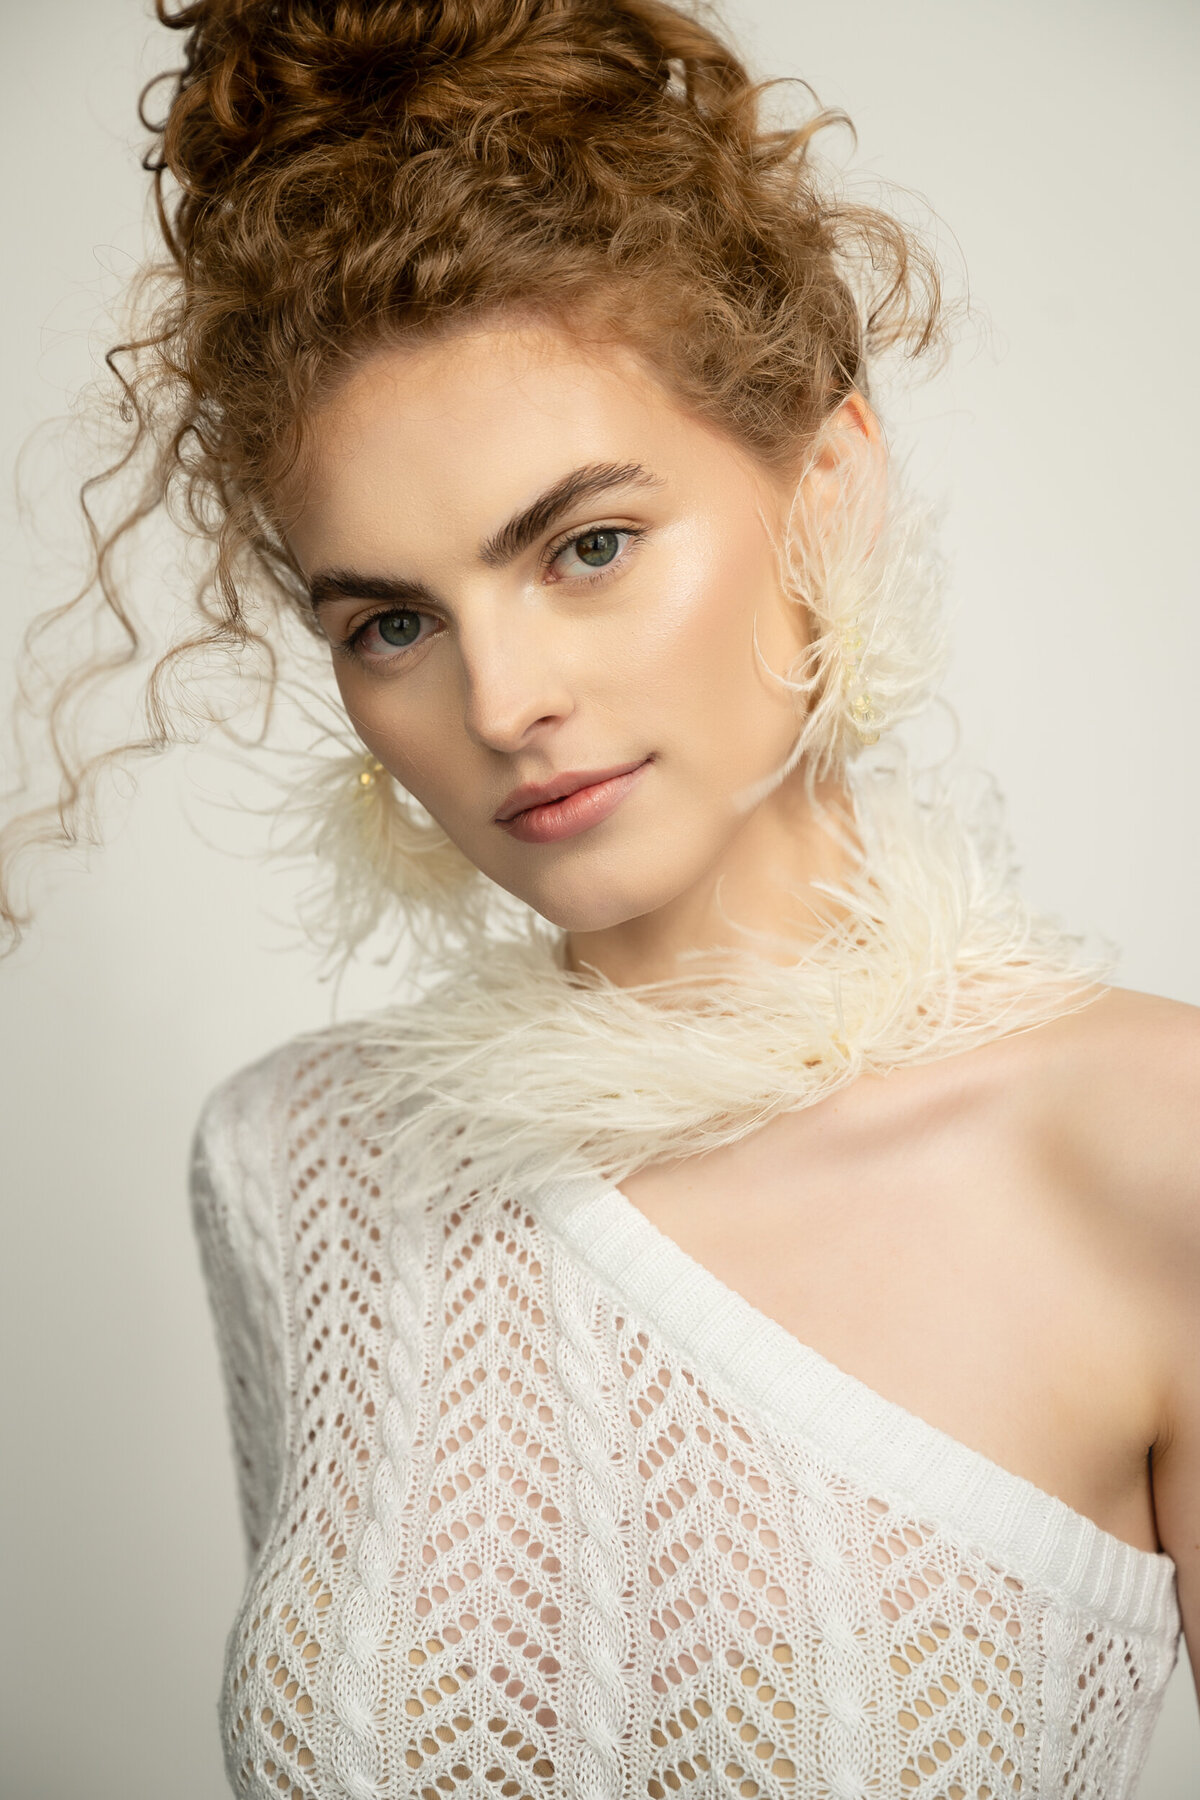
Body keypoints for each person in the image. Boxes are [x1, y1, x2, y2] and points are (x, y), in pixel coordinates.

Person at [5, 1, 1197, 1794]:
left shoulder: (1157, 1152)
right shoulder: (294, 1161)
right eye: (389, 621)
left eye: (587, 547)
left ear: (829, 487)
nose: (498, 704)